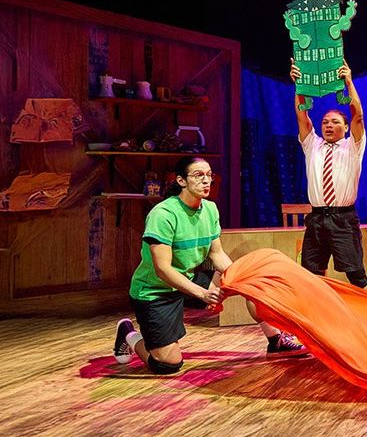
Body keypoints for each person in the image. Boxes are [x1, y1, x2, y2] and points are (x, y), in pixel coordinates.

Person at [111, 156, 306, 373]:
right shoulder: (163, 214)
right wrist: (203, 293)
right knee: (167, 364)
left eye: (209, 175)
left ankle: (275, 340)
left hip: (188, 278)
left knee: (251, 283)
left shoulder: (210, 209)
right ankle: (128, 333)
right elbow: (163, 269)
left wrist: (243, 278)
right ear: (181, 181)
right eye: (198, 175)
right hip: (156, 290)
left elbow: (217, 254)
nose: (206, 181)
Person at [289, 58, 367, 288]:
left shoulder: (352, 145)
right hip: (316, 219)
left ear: (345, 127)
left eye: (334, 122)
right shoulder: (312, 144)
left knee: (356, 275)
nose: (328, 125)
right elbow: (302, 116)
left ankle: (364, 310)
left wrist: (349, 82)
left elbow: (358, 116)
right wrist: (299, 86)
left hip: (342, 219)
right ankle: (317, 310)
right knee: (312, 274)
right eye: (325, 122)